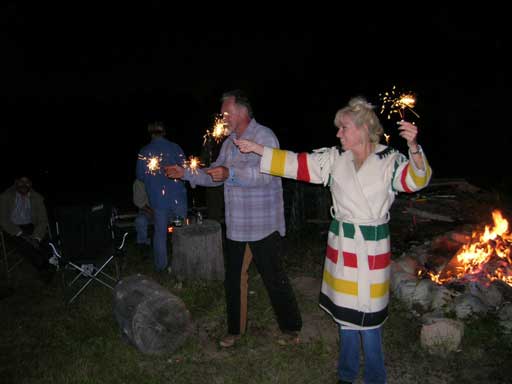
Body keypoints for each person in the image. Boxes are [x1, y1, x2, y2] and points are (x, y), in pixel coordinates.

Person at [235, 96, 432, 384]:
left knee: (370, 317)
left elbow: (416, 180)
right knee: (346, 316)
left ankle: (376, 377)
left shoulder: (390, 159)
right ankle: (347, 374)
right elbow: (297, 163)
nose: (338, 133)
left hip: (372, 247)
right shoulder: (334, 159)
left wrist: (414, 148)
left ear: (363, 128)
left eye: (344, 128)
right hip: (342, 245)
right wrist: (259, 150)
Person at [165, 89, 302, 348]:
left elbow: (267, 175)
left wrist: (230, 174)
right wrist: (185, 173)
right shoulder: (228, 144)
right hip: (237, 225)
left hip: (262, 224)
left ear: (242, 112)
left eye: (226, 112)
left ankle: (291, 327)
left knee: (274, 277)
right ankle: (235, 330)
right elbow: (214, 175)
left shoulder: (264, 137)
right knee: (233, 279)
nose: (223, 117)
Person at [136, 121, 188, 272]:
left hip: (159, 202)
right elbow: (185, 169)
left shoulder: (144, 152)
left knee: (160, 234)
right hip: (178, 200)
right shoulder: (175, 147)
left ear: (150, 133)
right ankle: (182, 264)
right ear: (164, 131)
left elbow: (140, 176)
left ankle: (161, 266)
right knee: (179, 230)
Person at [0, 174, 54, 282]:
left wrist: (36, 237)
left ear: (31, 184)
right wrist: (22, 234)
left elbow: (43, 220)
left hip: (31, 225)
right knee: (25, 244)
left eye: (27, 182)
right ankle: (44, 267)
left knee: (45, 240)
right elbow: (3, 220)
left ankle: (52, 261)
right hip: (12, 227)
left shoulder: (37, 197)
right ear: (16, 182)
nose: (24, 185)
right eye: (21, 181)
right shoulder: (5, 197)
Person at [133, 179, 153, 255]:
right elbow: (139, 203)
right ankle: (143, 245)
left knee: (177, 220)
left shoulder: (161, 177)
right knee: (140, 221)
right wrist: (151, 211)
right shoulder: (139, 182)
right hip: (146, 211)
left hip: (163, 211)